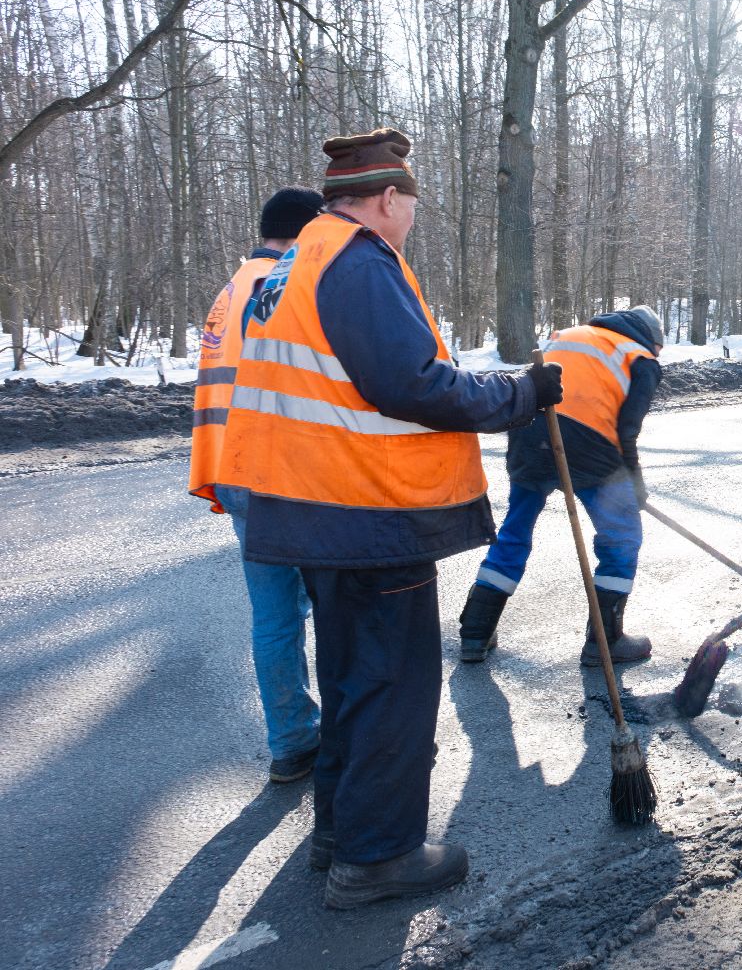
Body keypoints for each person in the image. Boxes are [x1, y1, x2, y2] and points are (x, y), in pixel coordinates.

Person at [222, 128, 564, 910]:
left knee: (351, 680)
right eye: (410, 205)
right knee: (392, 684)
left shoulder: (299, 259)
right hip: (366, 509)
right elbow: (412, 383)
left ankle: (341, 833)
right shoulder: (359, 260)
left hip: (315, 506)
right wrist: (520, 394)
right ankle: (378, 855)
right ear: (385, 199)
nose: (411, 219)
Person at [189, 186, 324, 784]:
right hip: (281, 469)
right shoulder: (282, 285)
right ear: (306, 233)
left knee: (273, 615)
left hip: (232, 466)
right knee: (333, 605)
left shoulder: (232, 288)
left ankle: (291, 743)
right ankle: (342, 738)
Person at [459, 306, 664, 665]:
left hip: (528, 431)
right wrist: (633, 484)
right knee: (622, 537)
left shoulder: (571, 334)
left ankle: (475, 631)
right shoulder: (640, 356)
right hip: (589, 445)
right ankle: (605, 642)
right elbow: (627, 430)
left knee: (515, 531)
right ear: (652, 339)